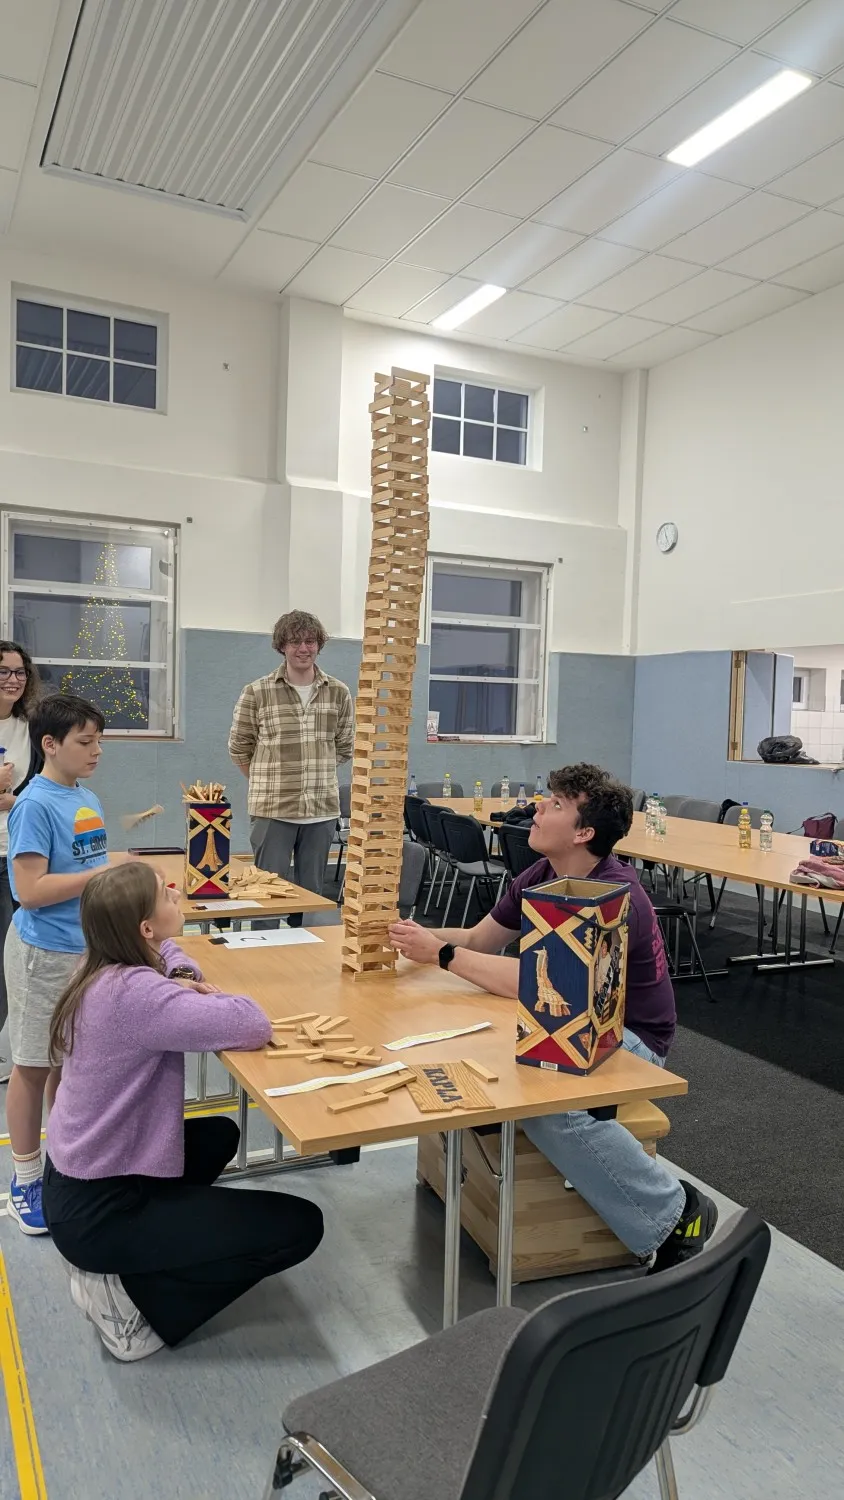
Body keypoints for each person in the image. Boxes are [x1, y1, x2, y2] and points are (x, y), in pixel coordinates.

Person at [389, 762, 718, 1274]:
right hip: (569, 1020)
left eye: (557, 804)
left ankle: (674, 1211)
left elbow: (547, 988)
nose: (538, 808)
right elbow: (479, 940)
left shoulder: (614, 897)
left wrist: (442, 956)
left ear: (583, 833)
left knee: (552, 1107)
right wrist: (410, 936)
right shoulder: (542, 874)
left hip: (628, 1037)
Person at [42, 862, 324, 1362]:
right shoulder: (137, 996)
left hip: (79, 1181)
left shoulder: (103, 965)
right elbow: (252, 1024)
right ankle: (134, 1304)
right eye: (164, 895)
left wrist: (180, 975)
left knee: (218, 1135)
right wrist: (197, 991)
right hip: (99, 1213)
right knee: (301, 1225)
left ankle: (141, 1254)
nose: (175, 893)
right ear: (144, 927)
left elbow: (168, 956)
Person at [5, 694, 109, 1236]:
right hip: (42, 954)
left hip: (82, 949)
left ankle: (62, 1162)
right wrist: (104, 874)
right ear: (50, 744)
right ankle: (25, 1178)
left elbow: (86, 870)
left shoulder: (84, 797)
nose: (96, 751)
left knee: (67, 1063)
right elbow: (29, 891)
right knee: (32, 1065)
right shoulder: (34, 805)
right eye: (85, 742)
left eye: (98, 741)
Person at [228, 609, 354, 922]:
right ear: (282, 646)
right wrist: (267, 779)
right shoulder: (257, 692)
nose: (303, 648)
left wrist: (316, 771)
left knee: (311, 900)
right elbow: (239, 748)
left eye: (310, 641)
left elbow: (345, 746)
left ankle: (307, 951)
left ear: (319, 645)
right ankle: (265, 949)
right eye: (295, 641)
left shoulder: (338, 692)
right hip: (273, 810)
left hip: (321, 811)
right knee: (266, 896)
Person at [0, 641, 43, 1084]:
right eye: (3, 671)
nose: (13, 680)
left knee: (18, 954)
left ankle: (21, 1050)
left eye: (19, 672)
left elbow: (39, 790)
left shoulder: (30, 728)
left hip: (17, 853)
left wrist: (14, 800)